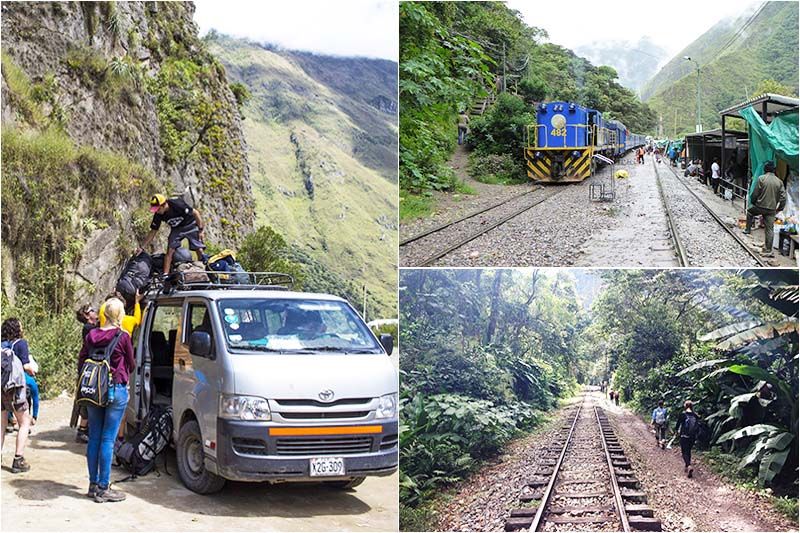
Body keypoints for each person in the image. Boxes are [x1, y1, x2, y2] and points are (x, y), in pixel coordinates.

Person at [79, 298, 135, 502]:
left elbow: (82, 360)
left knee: (94, 436)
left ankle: (93, 485)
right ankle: (103, 487)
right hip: (115, 390)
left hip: (94, 391)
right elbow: (131, 364)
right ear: (119, 315)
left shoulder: (92, 334)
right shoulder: (123, 337)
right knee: (108, 440)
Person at [137, 194, 207, 276]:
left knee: (198, 247)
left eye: (158, 209)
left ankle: (204, 270)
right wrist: (142, 247)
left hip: (190, 224)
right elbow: (153, 231)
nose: (157, 211)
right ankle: (165, 275)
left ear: (164, 205)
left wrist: (201, 230)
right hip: (177, 229)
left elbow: (196, 213)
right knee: (170, 250)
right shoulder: (158, 214)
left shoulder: (177, 204)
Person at [1, 318, 34, 473]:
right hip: (15, 388)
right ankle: (18, 459)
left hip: (1, 387)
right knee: (24, 423)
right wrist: (33, 370)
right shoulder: (21, 343)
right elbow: (27, 366)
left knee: (1, 424)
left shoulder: (1, 345)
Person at [744, 160, 787, 258]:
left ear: (765, 169)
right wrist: (780, 208)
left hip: (760, 206)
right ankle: (768, 250)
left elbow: (755, 193)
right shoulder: (779, 181)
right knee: (769, 229)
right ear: (774, 170)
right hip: (771, 209)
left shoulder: (761, 178)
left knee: (750, 213)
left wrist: (753, 202)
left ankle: (747, 229)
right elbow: (783, 198)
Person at [73, 304, 99, 442]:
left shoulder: (92, 327)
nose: (96, 312)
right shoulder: (89, 328)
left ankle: (85, 428)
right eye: (92, 311)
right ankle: (82, 430)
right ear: (87, 316)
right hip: (87, 367)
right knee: (88, 396)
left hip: (88, 365)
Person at [675, 400, 699, 478]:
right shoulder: (695, 415)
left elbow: (678, 424)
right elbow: (697, 427)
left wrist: (676, 432)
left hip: (684, 435)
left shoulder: (683, 414)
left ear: (685, 406)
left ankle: (688, 466)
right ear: (692, 406)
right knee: (688, 450)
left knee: (684, 452)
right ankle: (687, 465)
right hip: (692, 436)